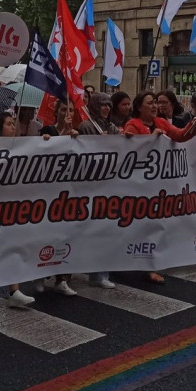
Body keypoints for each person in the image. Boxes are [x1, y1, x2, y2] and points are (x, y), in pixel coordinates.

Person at [124, 91, 196, 284]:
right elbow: (129, 152)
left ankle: (151, 263)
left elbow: (181, 136)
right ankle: (144, 265)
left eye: (155, 103)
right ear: (139, 107)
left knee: (156, 224)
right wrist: (150, 140)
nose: (154, 106)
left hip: (159, 186)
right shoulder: (132, 125)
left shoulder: (162, 123)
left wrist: (194, 127)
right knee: (143, 226)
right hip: (139, 186)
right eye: (150, 103)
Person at [0, 111, 39, 306]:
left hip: (11, 207)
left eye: (13, 123)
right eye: (9, 124)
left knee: (11, 245)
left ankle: (13, 290)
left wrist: (47, 142)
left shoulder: (21, 146)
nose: (13, 127)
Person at [38, 101, 80, 296]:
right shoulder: (48, 130)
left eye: (70, 110)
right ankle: (40, 273)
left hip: (68, 190)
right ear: (56, 112)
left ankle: (63, 278)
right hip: (48, 191)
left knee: (66, 234)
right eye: (64, 109)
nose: (67, 113)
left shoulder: (75, 133)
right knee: (46, 234)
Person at [77, 93, 117, 289]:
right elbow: (82, 156)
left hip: (108, 184)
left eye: (109, 105)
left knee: (105, 230)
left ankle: (101, 273)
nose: (107, 108)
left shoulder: (112, 128)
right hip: (91, 185)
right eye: (102, 105)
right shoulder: (86, 127)